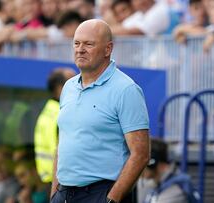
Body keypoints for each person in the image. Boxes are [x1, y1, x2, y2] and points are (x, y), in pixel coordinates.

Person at [51, 19, 150, 203]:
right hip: (64, 194)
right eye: (76, 43)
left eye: (88, 44)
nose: (80, 49)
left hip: (101, 193)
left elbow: (141, 154)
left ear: (108, 49)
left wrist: (111, 199)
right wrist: (54, 194)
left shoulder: (126, 89)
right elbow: (62, 144)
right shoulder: (68, 87)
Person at [34, 67, 76, 185]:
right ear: (60, 88)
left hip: (48, 177)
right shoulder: (63, 113)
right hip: (60, 180)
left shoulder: (49, 110)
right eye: (73, 81)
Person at [141, 139, 199, 203]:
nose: (138, 168)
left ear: (152, 162)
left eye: (141, 161)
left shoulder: (176, 187)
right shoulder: (157, 184)